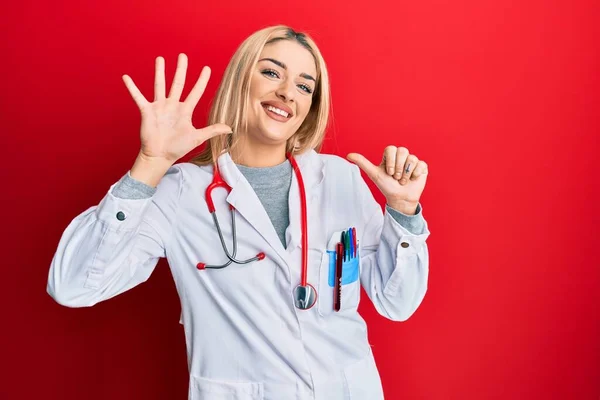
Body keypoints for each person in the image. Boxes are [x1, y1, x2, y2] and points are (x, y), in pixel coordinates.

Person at [47, 25, 431, 400]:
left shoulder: (340, 180)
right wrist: (150, 163)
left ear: (311, 107)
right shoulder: (181, 191)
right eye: (270, 72)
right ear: (239, 81)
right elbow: (74, 286)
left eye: (304, 86)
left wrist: (403, 212)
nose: (286, 93)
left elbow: (396, 303)